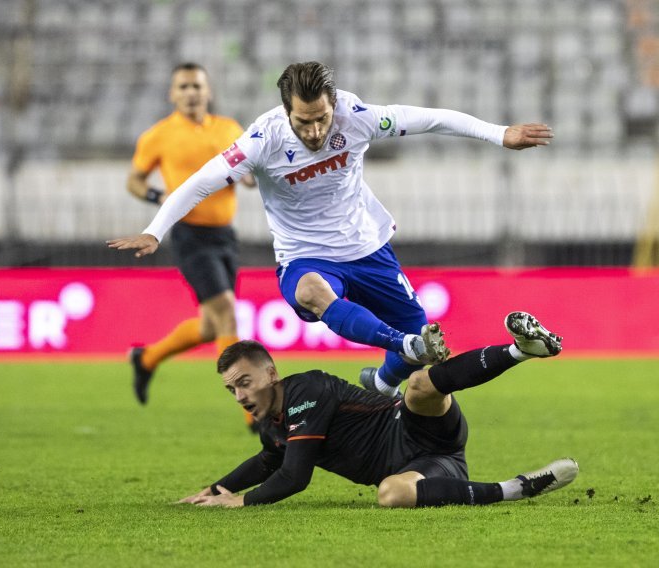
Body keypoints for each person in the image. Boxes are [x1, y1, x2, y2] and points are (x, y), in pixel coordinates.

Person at [108, 61, 554, 399]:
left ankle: (381, 380)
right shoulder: (263, 140)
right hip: (305, 255)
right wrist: (155, 229)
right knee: (313, 294)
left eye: (322, 117)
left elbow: (428, 118)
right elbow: (202, 181)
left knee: (415, 369)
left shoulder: (356, 115)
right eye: (304, 121)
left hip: (368, 248)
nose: (316, 129)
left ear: (333, 103)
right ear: (286, 112)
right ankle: (406, 343)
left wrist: (499, 135)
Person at [178, 311, 578, 508]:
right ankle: (517, 488)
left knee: (419, 384)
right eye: (231, 389)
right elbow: (269, 459)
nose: (239, 396)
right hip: (428, 466)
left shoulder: (307, 390)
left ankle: (519, 350)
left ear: (270, 373)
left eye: (244, 383)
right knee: (390, 494)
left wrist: (241, 502)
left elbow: (294, 476)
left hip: (415, 427)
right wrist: (217, 489)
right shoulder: (272, 422)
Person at [125, 62, 256, 424]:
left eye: (196, 86)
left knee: (212, 325)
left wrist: (250, 178)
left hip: (225, 235)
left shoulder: (229, 129)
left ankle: (147, 359)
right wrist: (160, 197)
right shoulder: (159, 135)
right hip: (188, 234)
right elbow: (134, 180)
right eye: (183, 87)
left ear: (208, 91)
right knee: (227, 311)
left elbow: (248, 170)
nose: (190, 93)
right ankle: (252, 412)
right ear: (172, 94)